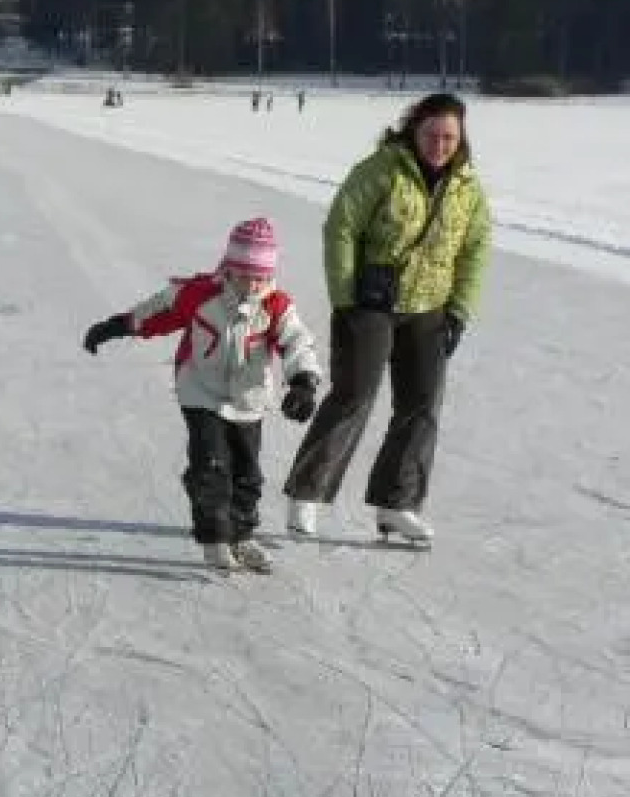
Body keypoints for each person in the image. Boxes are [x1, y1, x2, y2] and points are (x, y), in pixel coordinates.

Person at [282, 92, 491, 543]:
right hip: (371, 303)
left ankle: (398, 504)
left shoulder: (467, 186)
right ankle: (308, 495)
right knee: (354, 395)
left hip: (429, 308)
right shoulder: (383, 168)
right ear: (415, 130)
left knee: (422, 407)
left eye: (449, 137)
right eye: (432, 134)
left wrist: (459, 310)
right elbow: (341, 225)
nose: (439, 144)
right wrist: (346, 296)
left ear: (461, 139)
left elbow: (476, 247)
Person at [82, 219, 322, 571]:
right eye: (243, 275)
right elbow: (157, 311)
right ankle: (214, 539)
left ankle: (241, 536)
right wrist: (117, 325)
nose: (251, 285)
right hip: (201, 393)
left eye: (259, 277)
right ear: (228, 268)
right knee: (211, 466)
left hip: (247, 402)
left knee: (247, 475)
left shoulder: (276, 305)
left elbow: (296, 341)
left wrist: (303, 381)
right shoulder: (200, 294)